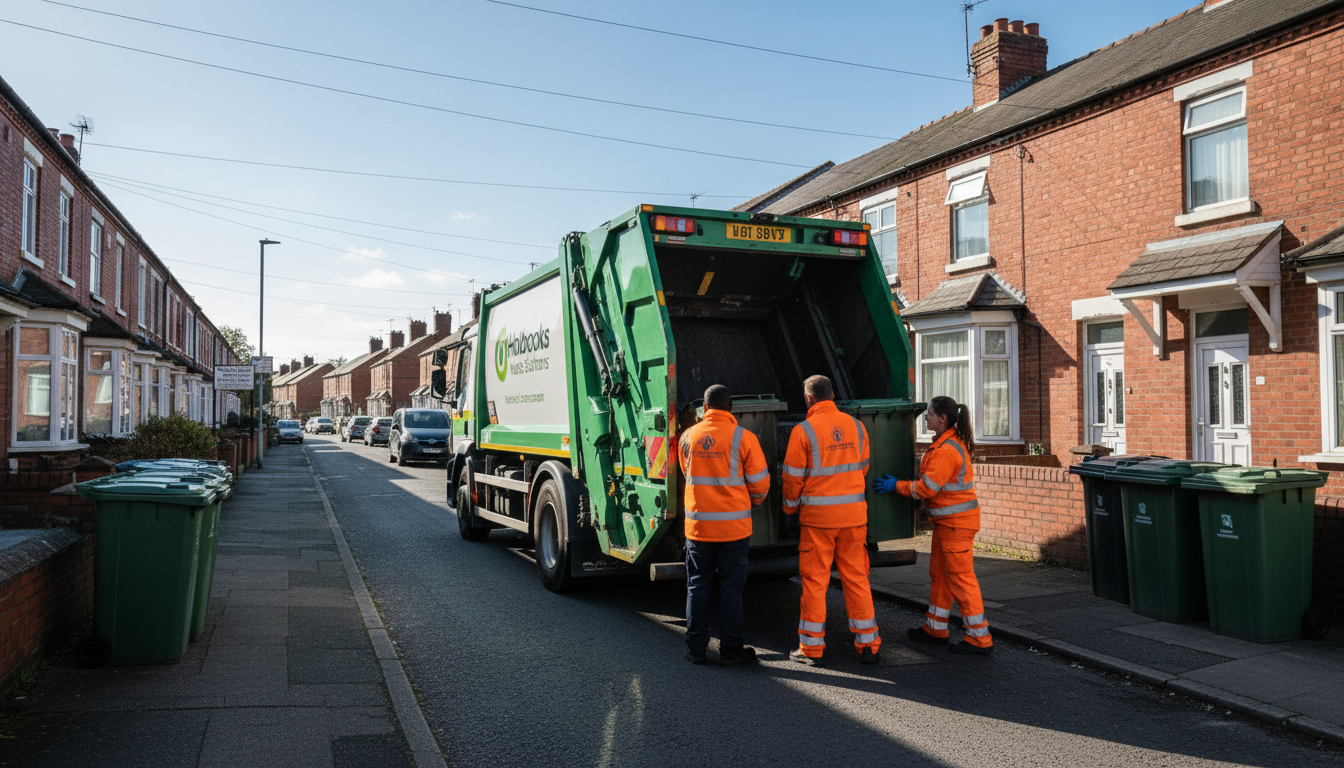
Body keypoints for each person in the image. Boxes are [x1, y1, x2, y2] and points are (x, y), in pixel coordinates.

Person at [874, 395, 993, 656]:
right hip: (948, 524)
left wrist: (896, 486)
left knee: (961, 579)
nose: (925, 416)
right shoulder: (945, 443)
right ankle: (936, 628)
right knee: (940, 575)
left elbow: (927, 488)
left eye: (929, 413)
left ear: (942, 418)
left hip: (955, 526)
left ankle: (979, 638)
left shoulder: (947, 450)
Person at [782, 375, 880, 666]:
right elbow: (863, 466)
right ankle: (869, 645)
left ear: (808, 398)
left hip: (818, 522)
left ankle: (811, 649)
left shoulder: (803, 431)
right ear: (833, 394)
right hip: (853, 518)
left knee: (815, 583)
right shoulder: (856, 426)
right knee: (857, 580)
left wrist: (789, 510)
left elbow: (791, 477)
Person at [678, 384, 770, 666]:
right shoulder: (745, 438)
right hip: (734, 530)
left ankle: (696, 648)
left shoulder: (687, 437)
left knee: (697, 586)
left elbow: (686, 472)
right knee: (731, 589)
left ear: (704, 409)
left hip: (698, 528)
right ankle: (730, 650)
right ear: (731, 409)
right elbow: (761, 484)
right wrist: (752, 501)